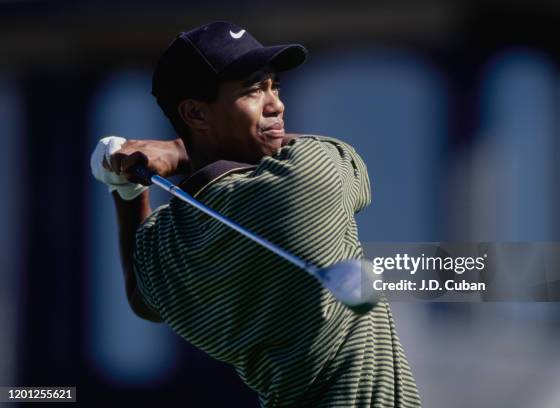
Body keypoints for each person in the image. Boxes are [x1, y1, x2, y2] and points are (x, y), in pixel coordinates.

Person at [90, 21, 421, 407]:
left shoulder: (167, 248)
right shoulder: (307, 177)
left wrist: (126, 190)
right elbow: (344, 159)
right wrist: (173, 152)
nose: (276, 104)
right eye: (253, 90)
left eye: (273, 85)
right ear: (196, 113)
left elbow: (140, 299)